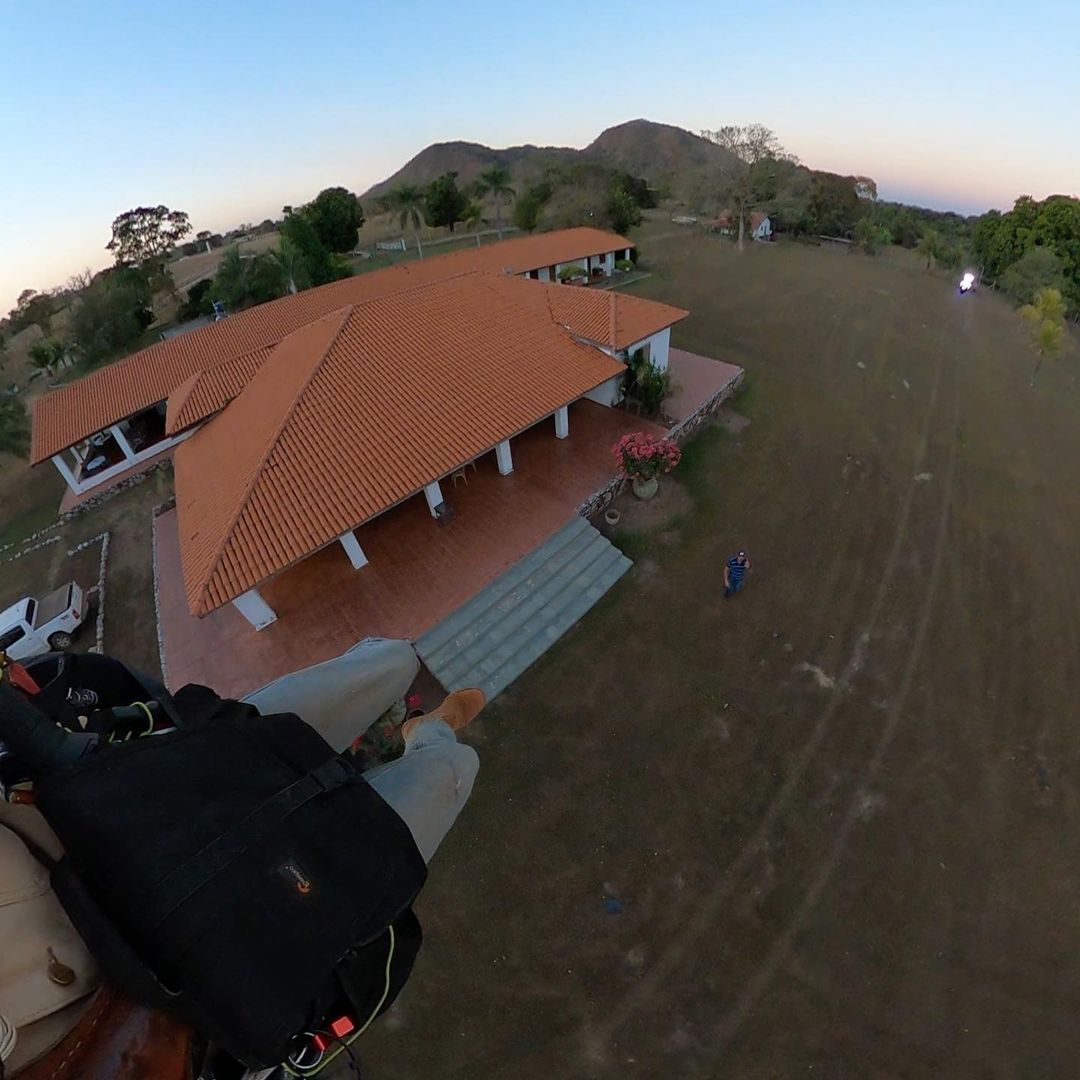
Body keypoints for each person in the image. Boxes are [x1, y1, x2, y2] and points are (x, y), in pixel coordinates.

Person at [243, 638, 482, 864]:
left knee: (395, 661)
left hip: (225, 757)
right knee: (456, 767)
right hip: (300, 877)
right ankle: (431, 729)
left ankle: (413, 717)